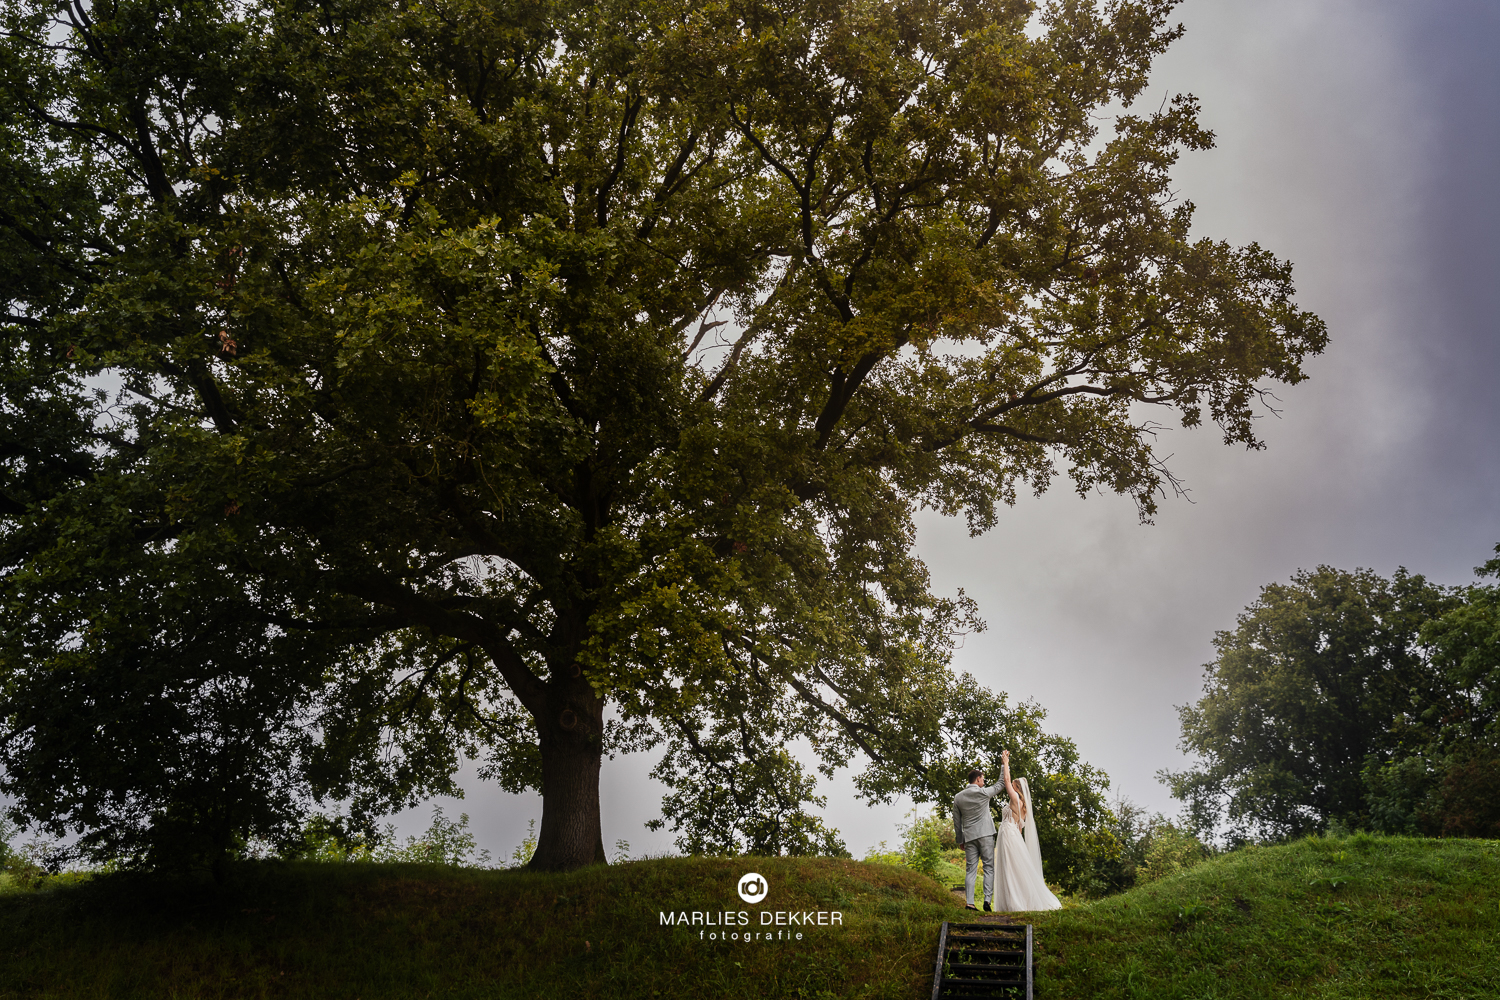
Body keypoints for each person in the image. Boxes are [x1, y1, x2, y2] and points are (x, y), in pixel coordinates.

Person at [995, 749, 1062, 911]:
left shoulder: (1015, 798)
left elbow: (1005, 779)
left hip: (1007, 834)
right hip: (1014, 837)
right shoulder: (1024, 807)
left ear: (1017, 788)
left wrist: (1005, 763)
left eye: (1013, 785)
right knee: (1015, 868)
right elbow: (1020, 828)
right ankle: (1016, 900)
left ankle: (1014, 903)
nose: (1010, 785)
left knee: (1009, 868)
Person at [952, 766, 1003, 911]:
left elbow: (957, 821)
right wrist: (1004, 765)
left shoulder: (958, 797)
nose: (984, 782)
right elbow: (1000, 784)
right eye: (983, 779)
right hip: (986, 834)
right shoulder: (983, 793)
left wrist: (960, 839)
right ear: (978, 779)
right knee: (988, 868)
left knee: (970, 870)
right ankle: (987, 901)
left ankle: (969, 903)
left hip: (969, 837)